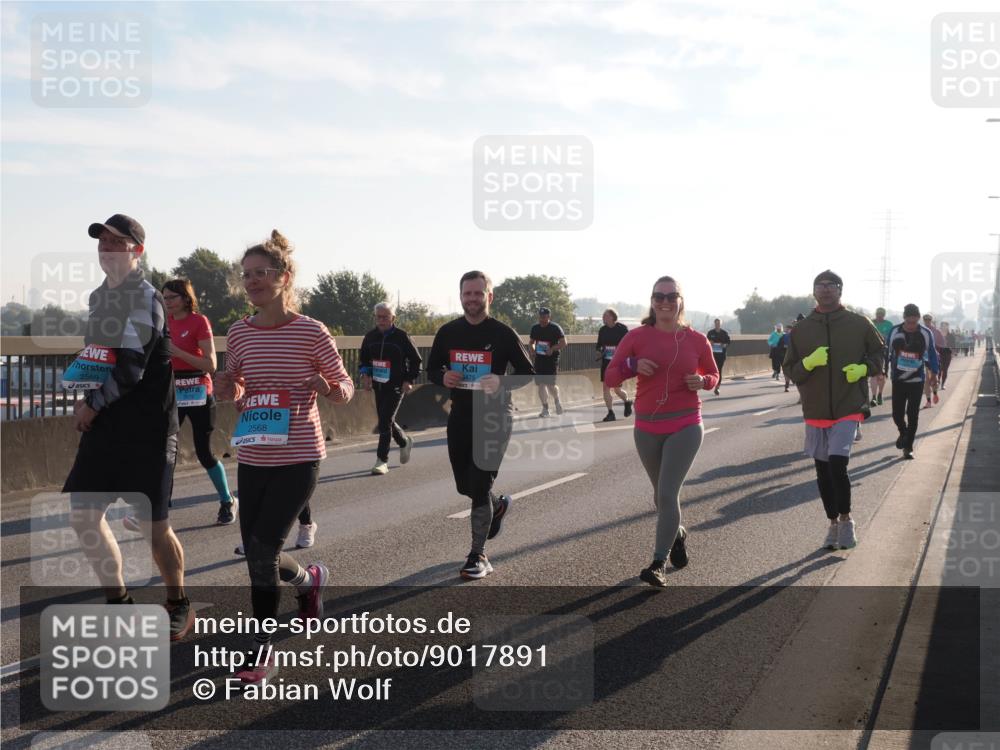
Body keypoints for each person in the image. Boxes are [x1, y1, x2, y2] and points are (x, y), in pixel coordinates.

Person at [215, 230, 354, 683]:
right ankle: (310, 581)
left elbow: (345, 388)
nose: (252, 282)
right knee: (261, 553)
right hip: (255, 454)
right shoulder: (238, 332)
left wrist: (328, 388)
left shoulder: (311, 331)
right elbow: (233, 379)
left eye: (261, 274)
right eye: (246, 275)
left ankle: (262, 651)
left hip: (298, 456)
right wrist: (228, 388)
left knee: (261, 551)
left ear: (283, 278)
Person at [63, 214, 192, 639]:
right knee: (84, 515)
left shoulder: (145, 298)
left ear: (136, 250)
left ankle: (178, 602)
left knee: (155, 527)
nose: (106, 248)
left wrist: (91, 405)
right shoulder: (100, 296)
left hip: (149, 427)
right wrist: (83, 392)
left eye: (117, 242)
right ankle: (120, 604)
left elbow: (133, 368)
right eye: (102, 241)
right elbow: (101, 356)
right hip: (107, 423)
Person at [605, 276, 719, 588]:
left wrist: (704, 382)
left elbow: (713, 374)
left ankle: (658, 564)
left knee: (668, 493)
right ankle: (678, 532)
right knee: (660, 497)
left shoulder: (696, 339)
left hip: (685, 423)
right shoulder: (636, 337)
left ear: (681, 301)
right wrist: (632, 364)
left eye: (671, 296)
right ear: (652, 300)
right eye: (659, 296)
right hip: (646, 426)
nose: (665, 302)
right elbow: (610, 374)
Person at [426, 271, 534, 579]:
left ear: (489, 296)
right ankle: (497, 505)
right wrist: (442, 376)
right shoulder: (447, 332)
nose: (472, 299)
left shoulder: (502, 333)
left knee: (480, 484)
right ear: (460, 296)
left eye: (478, 293)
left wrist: (501, 380)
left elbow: (527, 373)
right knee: (466, 485)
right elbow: (433, 368)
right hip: (460, 414)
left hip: (495, 417)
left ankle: (478, 555)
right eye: (467, 293)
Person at [783, 270, 883, 551]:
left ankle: (847, 520)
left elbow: (879, 353)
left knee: (838, 464)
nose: (826, 289)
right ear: (813, 291)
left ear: (840, 290)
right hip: (815, 408)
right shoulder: (801, 330)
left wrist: (865, 369)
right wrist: (809, 364)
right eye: (820, 285)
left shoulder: (858, 323)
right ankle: (832, 524)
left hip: (848, 404)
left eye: (832, 285)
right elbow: (789, 369)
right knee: (823, 470)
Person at [161, 279, 237, 524]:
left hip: (197, 389)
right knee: (164, 451)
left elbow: (211, 365)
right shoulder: (163, 323)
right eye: (164, 297)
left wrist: (178, 353)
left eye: (171, 297)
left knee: (203, 451)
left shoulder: (198, 321)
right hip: (172, 390)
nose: (167, 302)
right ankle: (161, 505)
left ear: (185, 298)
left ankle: (227, 500)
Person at [358, 302, 421, 474]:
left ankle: (381, 460)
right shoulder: (370, 337)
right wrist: (365, 375)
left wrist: (408, 379)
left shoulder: (402, 337)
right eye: (378, 317)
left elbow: (416, 361)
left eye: (385, 317)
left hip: (396, 385)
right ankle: (404, 442)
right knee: (387, 420)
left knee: (384, 421)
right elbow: (364, 360)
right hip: (379, 385)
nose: (381, 320)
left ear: (393, 318)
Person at [887, 304, 940, 460]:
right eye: (908, 322)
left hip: (917, 380)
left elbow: (931, 354)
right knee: (897, 414)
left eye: (914, 322)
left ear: (918, 318)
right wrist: (883, 371)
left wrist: (934, 374)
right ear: (904, 318)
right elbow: (887, 353)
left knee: (913, 414)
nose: (911, 325)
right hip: (898, 380)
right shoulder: (895, 332)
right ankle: (904, 433)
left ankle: (908, 447)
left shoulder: (926, 333)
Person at [596, 308, 632, 421]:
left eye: (605, 316)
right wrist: (598, 351)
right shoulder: (602, 330)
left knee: (617, 389)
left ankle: (627, 402)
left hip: (618, 363)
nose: (603, 318)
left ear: (612, 317)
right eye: (603, 316)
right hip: (606, 362)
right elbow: (599, 345)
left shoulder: (622, 329)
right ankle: (610, 413)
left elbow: (630, 344)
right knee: (606, 388)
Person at [529, 307, 566, 417]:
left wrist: (552, 349)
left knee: (550, 385)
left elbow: (563, 343)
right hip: (539, 359)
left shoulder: (555, 328)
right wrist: (532, 350)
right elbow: (531, 342)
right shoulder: (535, 328)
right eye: (540, 317)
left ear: (549, 317)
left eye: (544, 317)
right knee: (541, 384)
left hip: (551, 359)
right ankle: (545, 409)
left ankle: (557, 401)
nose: (542, 319)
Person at [869, 307, 894, 406]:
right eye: (878, 313)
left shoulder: (889, 324)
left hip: (884, 352)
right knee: (873, 374)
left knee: (882, 375)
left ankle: (880, 394)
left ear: (884, 314)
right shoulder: (870, 322)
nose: (879, 315)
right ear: (876, 313)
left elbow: (891, 338)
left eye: (882, 314)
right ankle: (874, 397)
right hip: (871, 352)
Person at [921, 313, 944, 407]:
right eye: (925, 319)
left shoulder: (936, 331)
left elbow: (942, 343)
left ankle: (934, 393)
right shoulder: (921, 330)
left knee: (933, 379)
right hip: (924, 358)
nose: (927, 321)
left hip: (934, 358)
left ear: (931, 320)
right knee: (926, 381)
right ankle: (928, 401)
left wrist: (935, 348)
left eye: (929, 319)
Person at [706, 319, 731, 396]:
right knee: (713, 370)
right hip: (712, 355)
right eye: (716, 323)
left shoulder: (724, 333)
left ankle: (717, 387)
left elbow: (728, 342)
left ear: (721, 324)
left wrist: (724, 345)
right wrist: (710, 342)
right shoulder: (710, 333)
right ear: (714, 324)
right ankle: (713, 383)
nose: (717, 325)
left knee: (719, 370)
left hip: (721, 355)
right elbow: (705, 342)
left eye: (719, 323)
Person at [940, 321, 954, 389]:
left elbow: (953, 345)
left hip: (947, 354)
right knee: (939, 369)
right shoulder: (938, 334)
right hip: (939, 354)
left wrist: (953, 353)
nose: (944, 327)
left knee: (945, 370)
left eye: (946, 326)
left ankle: (943, 384)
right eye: (943, 326)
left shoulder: (950, 335)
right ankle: (937, 382)